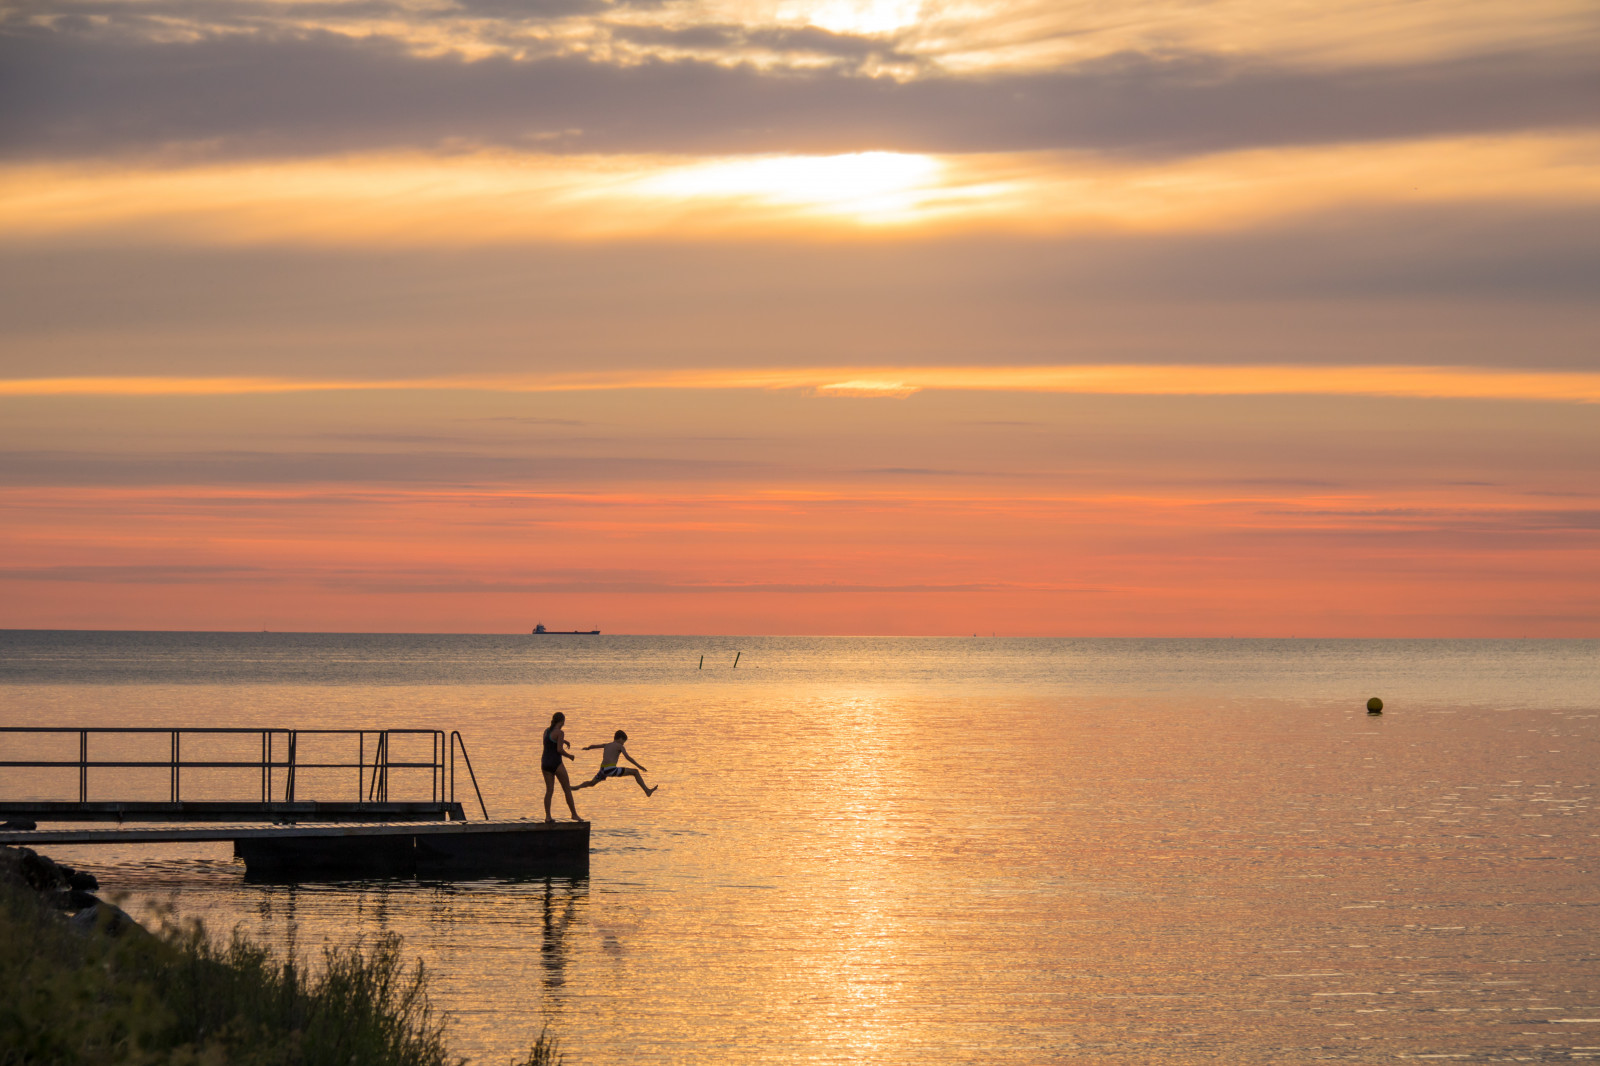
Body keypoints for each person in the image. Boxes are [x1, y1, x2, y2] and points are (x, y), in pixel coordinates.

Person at [572, 730, 657, 797]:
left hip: (603, 769)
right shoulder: (619, 746)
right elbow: (627, 757)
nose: (623, 743)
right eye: (624, 741)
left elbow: (593, 746)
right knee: (635, 772)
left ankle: (575, 787)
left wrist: (587, 748)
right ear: (620, 739)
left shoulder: (607, 745)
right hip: (610, 769)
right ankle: (647, 791)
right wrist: (639, 766)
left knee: (592, 783)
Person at [540, 711, 581, 822]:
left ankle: (548, 817)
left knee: (549, 790)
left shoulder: (546, 731)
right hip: (556, 763)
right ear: (562, 721)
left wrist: (564, 741)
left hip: (545, 763)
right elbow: (558, 750)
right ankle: (574, 814)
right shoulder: (560, 732)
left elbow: (550, 742)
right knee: (567, 789)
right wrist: (569, 756)